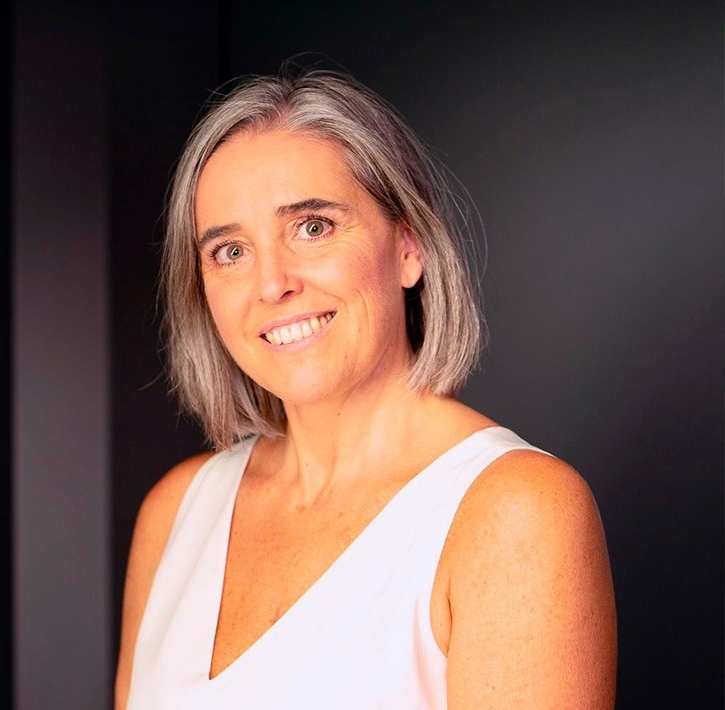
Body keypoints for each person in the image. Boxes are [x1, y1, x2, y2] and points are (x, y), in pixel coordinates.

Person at [114, 64, 617, 709]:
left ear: (408, 245)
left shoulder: (515, 513)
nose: (273, 284)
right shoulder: (175, 512)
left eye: (313, 226)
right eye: (230, 251)